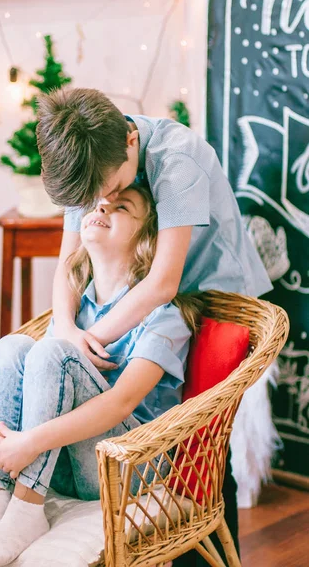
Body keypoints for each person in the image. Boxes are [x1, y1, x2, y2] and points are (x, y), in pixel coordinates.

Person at [36, 87, 273, 563]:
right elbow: (67, 264)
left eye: (109, 191)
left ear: (129, 140)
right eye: (91, 199)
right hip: (142, 297)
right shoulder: (87, 162)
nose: (100, 202)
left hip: (209, 298)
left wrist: (88, 340)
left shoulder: (177, 157)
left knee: (202, 444)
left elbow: (165, 284)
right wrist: (65, 328)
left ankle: (210, 553)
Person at [0, 185, 201, 567]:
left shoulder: (165, 314)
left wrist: (30, 442)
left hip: (129, 468)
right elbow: (29, 385)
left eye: (121, 206)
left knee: (53, 353)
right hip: (62, 462)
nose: (102, 207)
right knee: (12, 347)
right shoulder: (75, 310)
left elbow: (121, 403)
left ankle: (27, 512)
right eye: (97, 203)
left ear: (147, 235)